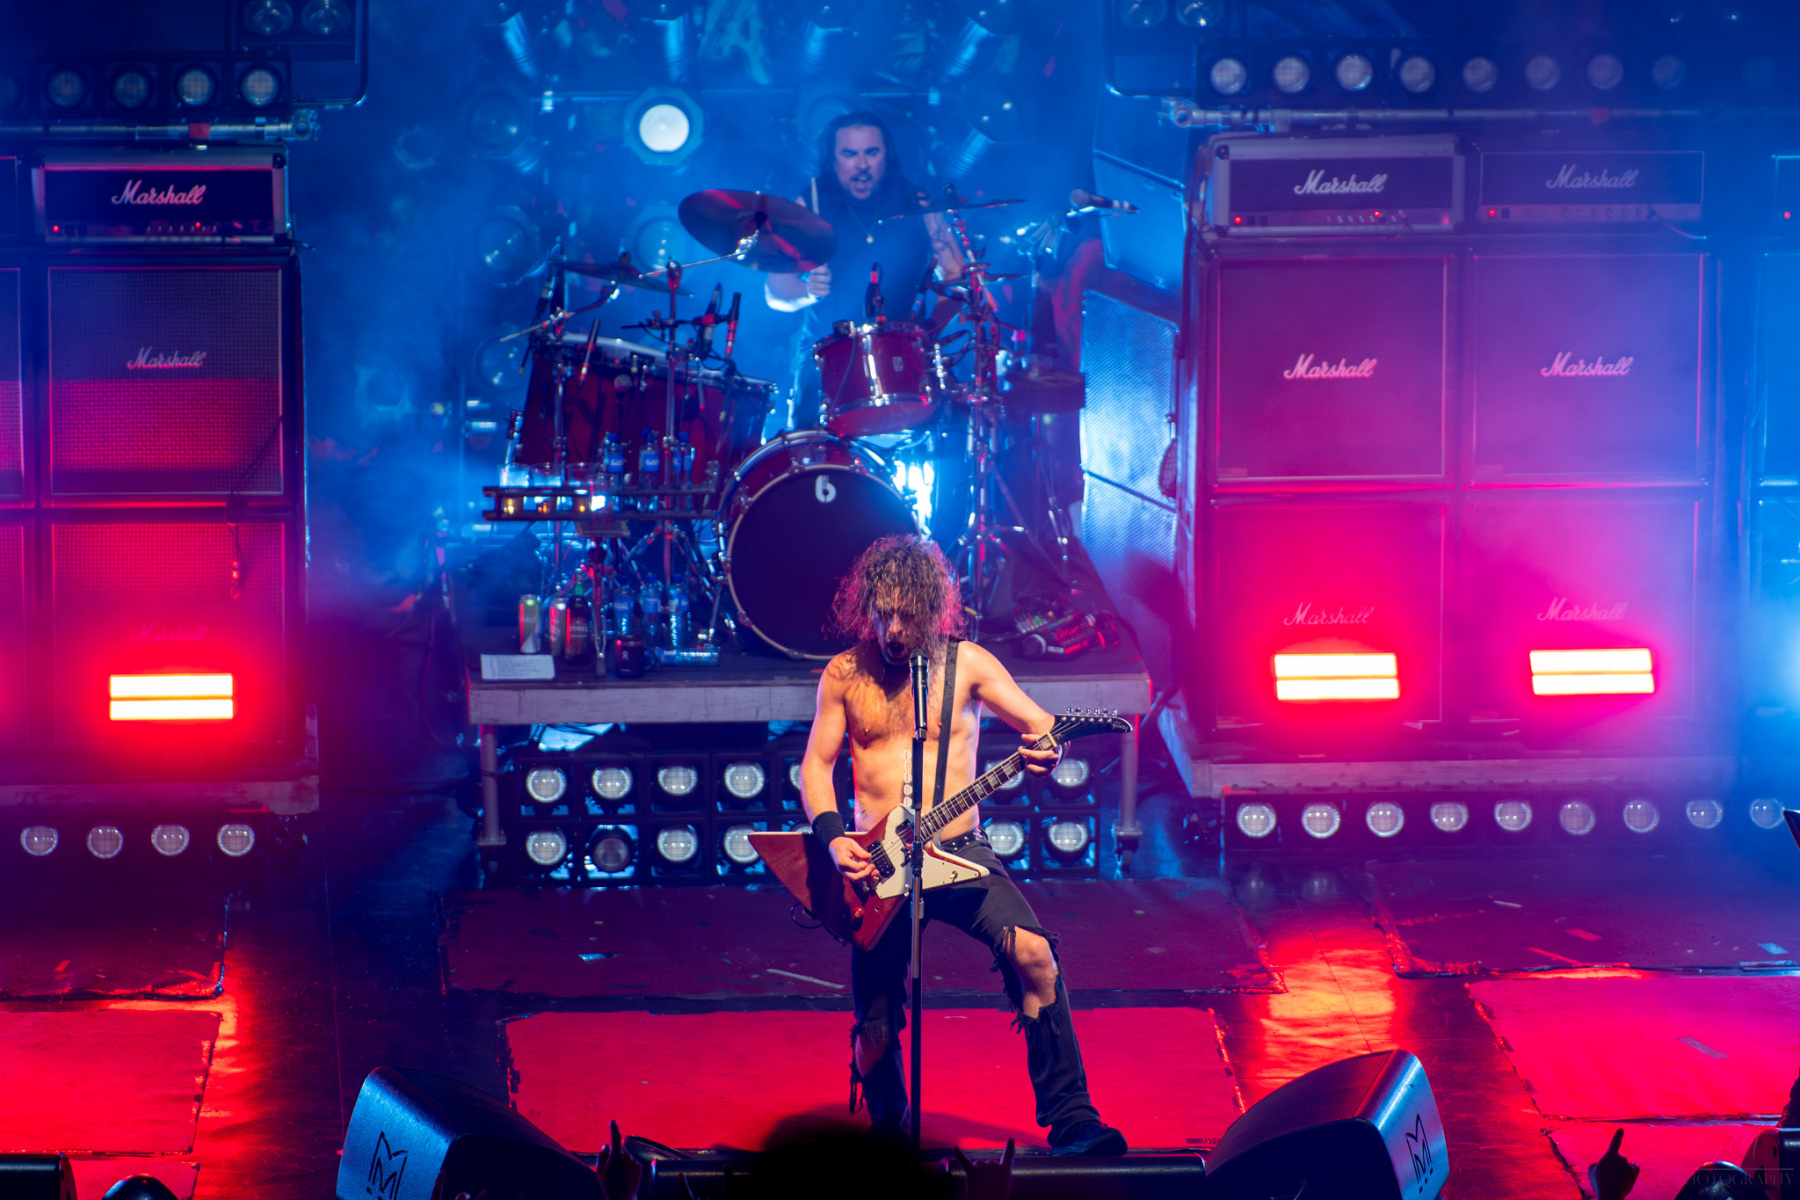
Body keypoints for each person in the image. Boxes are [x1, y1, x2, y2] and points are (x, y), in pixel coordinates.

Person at [798, 534, 1126, 1156]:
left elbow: (1039, 726)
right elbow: (816, 765)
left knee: (1034, 955)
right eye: (883, 614)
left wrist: (1048, 750)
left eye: (907, 615)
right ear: (867, 607)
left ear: (931, 608)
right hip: (879, 867)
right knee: (874, 1026)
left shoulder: (968, 664)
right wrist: (834, 838)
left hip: (960, 851)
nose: (894, 630)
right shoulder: (844, 674)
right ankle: (889, 1132)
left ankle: (1074, 1121)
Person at [765, 111, 965, 430]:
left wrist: (927, 334)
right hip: (828, 353)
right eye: (850, 154)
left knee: (941, 431)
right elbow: (775, 292)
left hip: (903, 355)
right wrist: (806, 292)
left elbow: (957, 276)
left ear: (888, 155)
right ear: (832, 159)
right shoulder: (809, 203)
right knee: (811, 446)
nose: (862, 165)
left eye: (872, 152)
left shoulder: (916, 202)